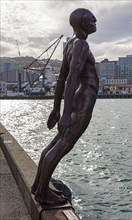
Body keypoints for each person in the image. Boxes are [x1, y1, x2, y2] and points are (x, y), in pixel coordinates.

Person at [31, 8, 99, 205]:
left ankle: (38, 186)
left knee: (54, 145)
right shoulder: (82, 44)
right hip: (83, 103)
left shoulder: (70, 44)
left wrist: (56, 109)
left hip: (76, 101)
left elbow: (61, 78)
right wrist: (65, 114)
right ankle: (43, 193)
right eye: (90, 18)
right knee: (63, 146)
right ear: (81, 22)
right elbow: (70, 79)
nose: (95, 20)